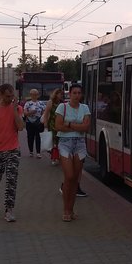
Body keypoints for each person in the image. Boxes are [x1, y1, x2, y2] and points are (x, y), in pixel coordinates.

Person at [0, 84, 25, 222]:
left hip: (13, 149)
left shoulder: (18, 108)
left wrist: (14, 110)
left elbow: (20, 127)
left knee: (11, 180)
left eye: (12, 96)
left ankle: (9, 210)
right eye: (7, 96)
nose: (10, 99)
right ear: (0, 95)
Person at [55, 84, 91, 222]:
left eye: (79, 93)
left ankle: (71, 209)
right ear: (69, 94)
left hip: (80, 144)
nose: (77, 95)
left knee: (76, 178)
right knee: (69, 176)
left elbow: (86, 127)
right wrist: (78, 127)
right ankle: (65, 209)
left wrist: (69, 124)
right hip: (65, 143)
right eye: (74, 93)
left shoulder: (85, 108)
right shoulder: (62, 107)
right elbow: (58, 126)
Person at [41, 88, 64, 166]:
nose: (61, 96)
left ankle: (59, 157)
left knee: (60, 142)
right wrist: (45, 124)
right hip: (52, 124)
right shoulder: (51, 102)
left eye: (62, 94)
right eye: (60, 94)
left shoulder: (62, 103)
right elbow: (46, 113)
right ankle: (54, 158)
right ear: (56, 94)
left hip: (61, 124)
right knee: (54, 142)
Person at [23, 88, 45, 158]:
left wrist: (43, 119)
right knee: (30, 137)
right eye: (33, 94)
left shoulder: (41, 103)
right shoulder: (27, 103)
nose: (34, 96)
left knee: (38, 137)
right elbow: (25, 113)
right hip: (29, 122)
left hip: (38, 122)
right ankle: (31, 151)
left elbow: (44, 113)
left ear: (38, 95)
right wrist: (30, 112)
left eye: (36, 94)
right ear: (30, 95)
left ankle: (38, 152)